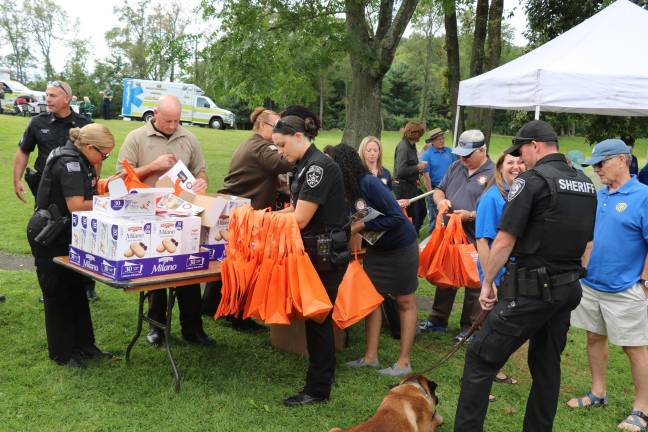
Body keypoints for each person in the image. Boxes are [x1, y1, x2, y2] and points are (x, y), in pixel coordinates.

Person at [454, 120, 597, 432]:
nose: (521, 160)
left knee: (480, 358)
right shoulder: (585, 183)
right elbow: (588, 244)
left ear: (535, 145)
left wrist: (488, 282)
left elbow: (504, 240)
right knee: (547, 366)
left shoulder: (531, 182)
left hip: (531, 289)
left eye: (522, 152)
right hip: (568, 288)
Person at [117, 95, 213, 347]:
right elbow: (119, 180)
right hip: (146, 214)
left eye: (177, 120)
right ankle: (156, 326)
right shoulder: (136, 138)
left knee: (188, 271)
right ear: (155, 114)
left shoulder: (189, 138)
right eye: (168, 120)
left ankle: (193, 328)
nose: (172, 125)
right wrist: (152, 167)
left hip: (182, 214)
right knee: (156, 273)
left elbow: (200, 170)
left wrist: (201, 181)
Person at [566, 139, 648, 431]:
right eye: (595, 165)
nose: (597, 169)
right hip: (592, 284)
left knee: (634, 348)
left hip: (625, 288)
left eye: (601, 163)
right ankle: (598, 393)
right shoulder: (599, 196)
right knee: (593, 338)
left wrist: (644, 283)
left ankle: (642, 409)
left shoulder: (643, 196)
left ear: (622, 160)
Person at [271, 106, 349, 407]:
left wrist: (264, 223)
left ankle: (317, 389)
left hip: (325, 255)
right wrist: (269, 217)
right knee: (317, 318)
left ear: (299, 136)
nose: (280, 151)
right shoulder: (305, 164)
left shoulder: (318, 167)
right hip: (316, 252)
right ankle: (323, 376)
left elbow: (301, 218)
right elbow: (294, 209)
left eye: (282, 144)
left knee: (318, 319)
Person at [26, 124, 115, 367]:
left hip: (66, 232)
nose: (104, 158)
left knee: (76, 289)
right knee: (57, 294)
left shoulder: (76, 157)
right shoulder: (70, 163)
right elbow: (76, 204)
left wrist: (108, 184)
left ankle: (85, 346)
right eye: (103, 154)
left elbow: (86, 188)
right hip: (50, 234)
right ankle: (64, 353)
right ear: (89, 147)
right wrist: (109, 202)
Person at [330, 144, 418, 377]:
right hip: (377, 249)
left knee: (405, 301)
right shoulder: (345, 189)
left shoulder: (368, 183)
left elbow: (396, 218)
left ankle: (404, 362)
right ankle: (370, 357)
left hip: (401, 247)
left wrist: (362, 225)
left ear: (344, 166)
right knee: (372, 301)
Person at [202, 107, 293, 331]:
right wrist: (300, 152)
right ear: (263, 126)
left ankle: (212, 305)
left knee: (229, 260)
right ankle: (237, 315)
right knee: (245, 264)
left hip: (234, 209)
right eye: (277, 127)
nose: (280, 133)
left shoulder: (253, 143)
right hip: (242, 213)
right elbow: (281, 163)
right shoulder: (261, 147)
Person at [13, 80, 96, 302]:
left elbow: (94, 155)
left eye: (52, 95)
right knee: (48, 234)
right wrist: (17, 179)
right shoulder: (37, 122)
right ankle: (50, 287)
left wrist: (94, 181)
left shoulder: (84, 123)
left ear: (67, 98)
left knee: (82, 234)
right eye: (47, 95)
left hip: (78, 188)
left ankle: (86, 285)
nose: (47, 99)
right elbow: (24, 151)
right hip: (46, 190)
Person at [418, 129, 494, 341]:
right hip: (451, 232)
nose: (463, 158)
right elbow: (439, 189)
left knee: (474, 281)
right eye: (461, 154)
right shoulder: (456, 166)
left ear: (482, 150)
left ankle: (470, 327)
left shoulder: (493, 173)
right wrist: (440, 200)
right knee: (446, 275)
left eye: (468, 155)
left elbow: (500, 207)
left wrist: (471, 215)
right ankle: (437, 319)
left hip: (478, 235)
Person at [474, 152, 525, 402]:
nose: (516, 166)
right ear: (500, 168)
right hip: (497, 274)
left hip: (515, 275)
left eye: (520, 161)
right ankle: (479, 383)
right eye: (510, 162)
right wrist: (489, 281)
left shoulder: (520, 195)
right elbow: (482, 241)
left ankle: (494, 371)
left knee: (501, 329)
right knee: (490, 330)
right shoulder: (492, 197)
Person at [393, 121, 429, 233]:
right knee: (408, 215)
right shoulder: (404, 148)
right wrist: (417, 167)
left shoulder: (411, 146)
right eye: (419, 134)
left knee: (421, 209)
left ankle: (414, 232)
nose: (420, 137)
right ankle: (408, 235)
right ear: (415, 134)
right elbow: (400, 171)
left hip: (412, 185)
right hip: (403, 187)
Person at [420, 127, 456, 231]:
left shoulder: (449, 152)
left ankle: (447, 239)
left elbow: (455, 169)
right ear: (432, 142)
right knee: (435, 218)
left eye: (442, 138)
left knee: (449, 215)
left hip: (450, 187)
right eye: (438, 139)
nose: (441, 141)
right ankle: (432, 241)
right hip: (435, 188)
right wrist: (431, 192)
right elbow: (426, 176)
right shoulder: (427, 155)